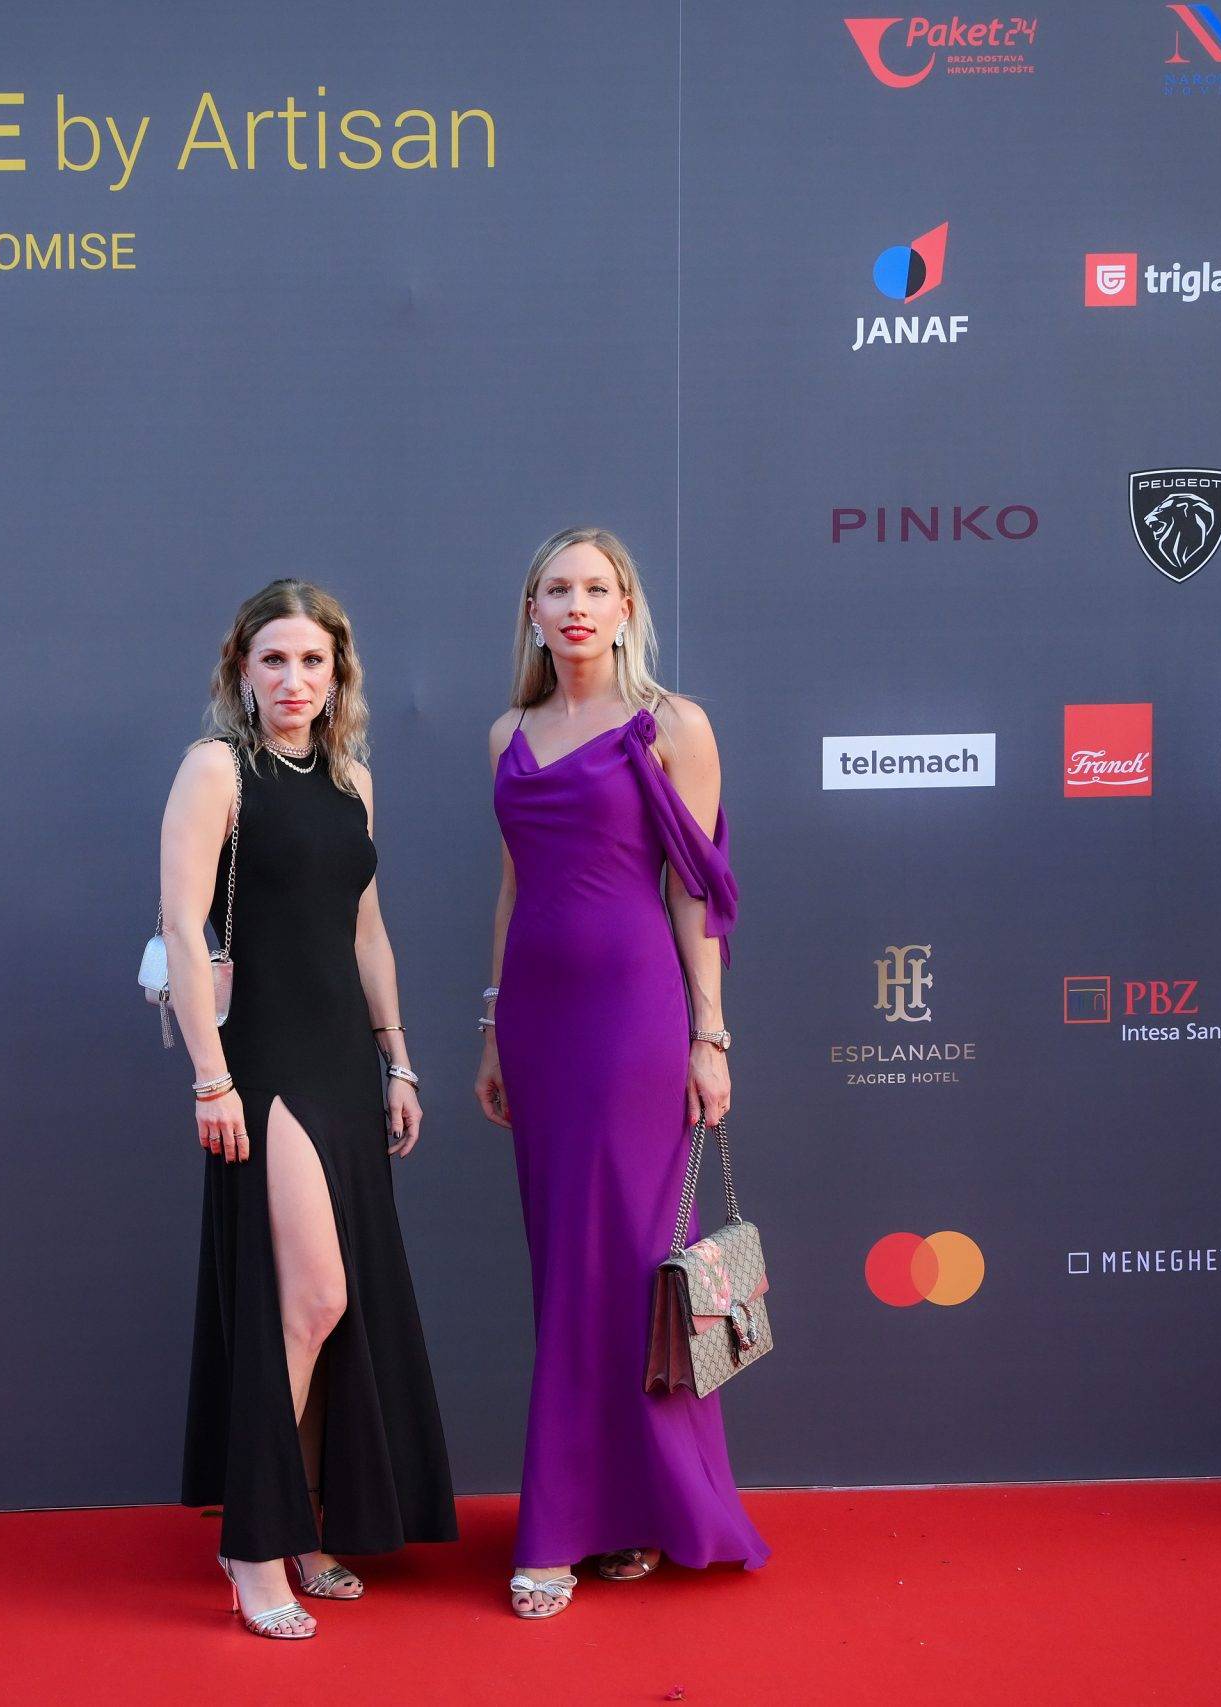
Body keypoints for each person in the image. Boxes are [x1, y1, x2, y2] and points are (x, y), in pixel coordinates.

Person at [475, 527, 769, 1619]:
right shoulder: (507, 732)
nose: (576, 605)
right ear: (533, 611)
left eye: (596, 588)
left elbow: (696, 889)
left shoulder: (673, 725)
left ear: (627, 605)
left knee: (632, 1266)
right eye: (557, 588)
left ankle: (575, 1525)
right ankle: (615, 1512)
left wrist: (710, 1035)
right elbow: (513, 887)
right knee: (565, 1263)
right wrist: (493, 1027)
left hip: (633, 1018)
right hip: (539, 1022)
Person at [162, 578, 457, 1641]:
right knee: (313, 1298)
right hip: (265, 1059)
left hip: (343, 1060)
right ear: (240, 669)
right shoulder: (214, 770)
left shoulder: (351, 782)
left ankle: (301, 1526)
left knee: (336, 1311)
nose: (294, 679)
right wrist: (211, 1076)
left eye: (313, 662)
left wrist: (400, 1062)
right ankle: (252, 1543)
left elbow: (366, 932)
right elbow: (183, 927)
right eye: (274, 659)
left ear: (339, 676)